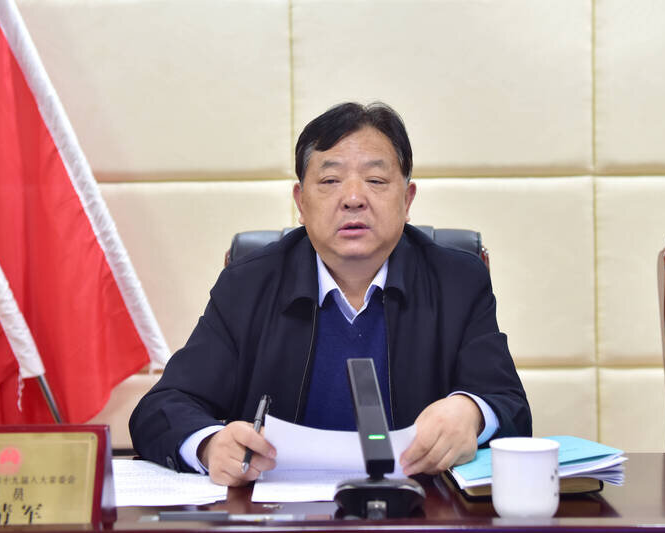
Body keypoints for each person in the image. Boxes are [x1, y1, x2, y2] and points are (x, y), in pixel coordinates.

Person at [129, 102, 531, 486]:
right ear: (300, 203)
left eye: (376, 181)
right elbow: (161, 408)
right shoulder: (248, 284)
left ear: (407, 200)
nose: (353, 199)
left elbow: (511, 407)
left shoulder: (457, 281)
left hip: (418, 510)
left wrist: (473, 413)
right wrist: (209, 445)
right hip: (280, 515)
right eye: (330, 181)